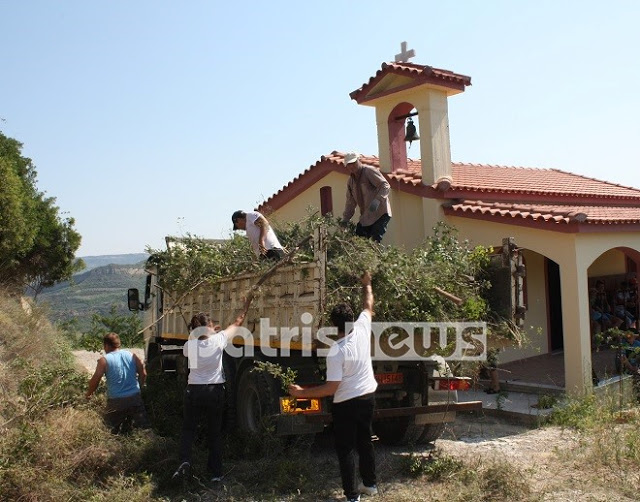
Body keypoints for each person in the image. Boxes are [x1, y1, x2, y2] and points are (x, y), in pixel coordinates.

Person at [289, 271, 378, 502]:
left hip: (346, 403)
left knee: (346, 448)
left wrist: (301, 394)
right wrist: (367, 284)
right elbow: (368, 304)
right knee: (365, 441)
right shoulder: (362, 327)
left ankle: (352, 496)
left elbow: (331, 388)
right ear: (352, 319)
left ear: (333, 325)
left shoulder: (336, 351)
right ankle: (370, 484)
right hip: (368, 397)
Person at [173, 301, 252, 483]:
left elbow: (193, 342)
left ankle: (185, 461)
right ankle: (215, 473)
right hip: (214, 391)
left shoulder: (189, 346)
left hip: (193, 391)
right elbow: (236, 323)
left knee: (188, 429)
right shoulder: (218, 340)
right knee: (214, 432)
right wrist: (245, 306)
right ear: (209, 328)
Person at [85, 332, 150, 434]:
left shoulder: (104, 360)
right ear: (118, 344)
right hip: (135, 398)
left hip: (116, 401)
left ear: (106, 345)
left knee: (108, 431)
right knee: (143, 430)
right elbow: (144, 373)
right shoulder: (132, 355)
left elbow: (95, 380)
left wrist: (89, 394)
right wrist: (139, 388)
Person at [341, 152, 392, 243]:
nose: (352, 166)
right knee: (359, 241)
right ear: (346, 166)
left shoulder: (369, 171)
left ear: (359, 161)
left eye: (354, 163)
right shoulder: (351, 182)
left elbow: (385, 185)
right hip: (366, 216)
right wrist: (345, 220)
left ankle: (377, 256)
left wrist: (376, 201)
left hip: (380, 213)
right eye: (349, 164)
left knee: (375, 239)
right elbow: (350, 203)